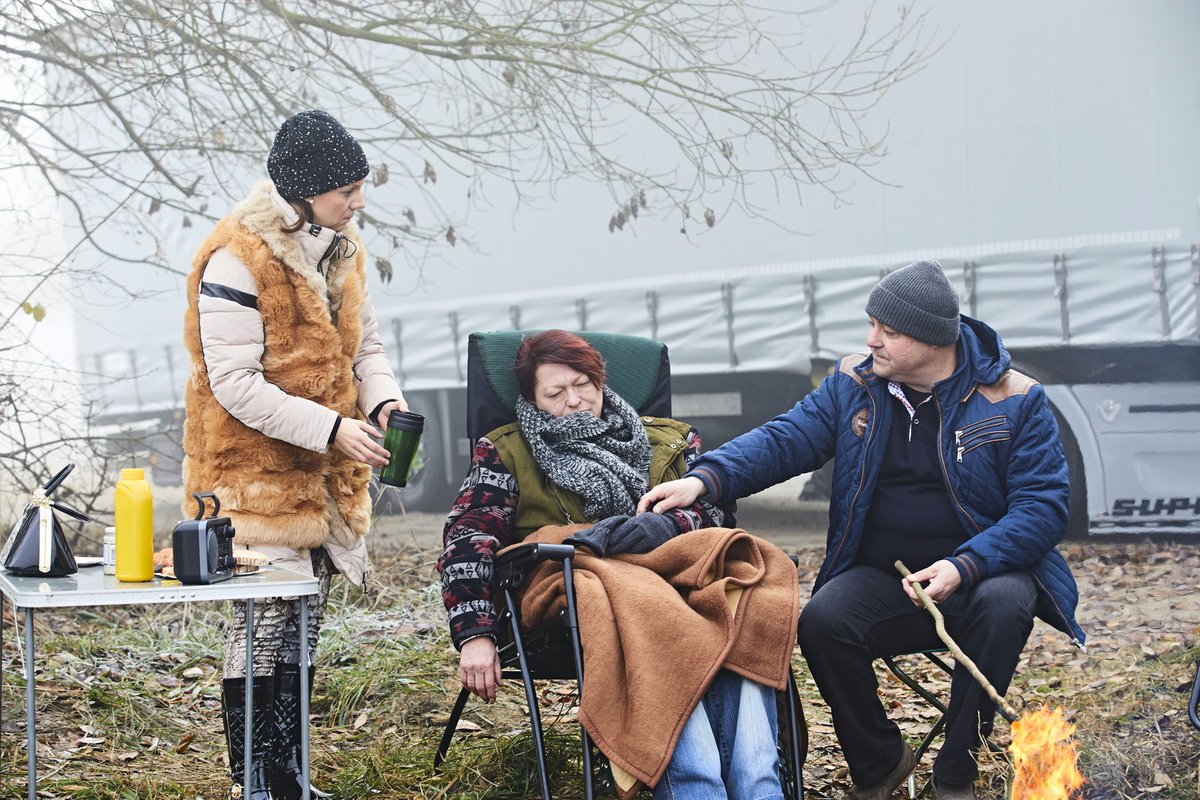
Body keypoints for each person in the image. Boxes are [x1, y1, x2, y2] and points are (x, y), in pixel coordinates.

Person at [640, 261, 1086, 800]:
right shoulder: (854, 384)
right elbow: (786, 439)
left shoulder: (1015, 398)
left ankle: (955, 772)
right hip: (887, 579)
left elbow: (1041, 508)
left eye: (888, 331)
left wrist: (963, 566)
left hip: (979, 576)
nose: (871, 340)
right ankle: (879, 765)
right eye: (872, 324)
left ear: (931, 339)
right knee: (823, 622)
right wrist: (707, 479)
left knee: (1006, 603)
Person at [437, 329, 790, 800]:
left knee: (746, 591)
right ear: (533, 400)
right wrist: (476, 634)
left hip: (673, 577)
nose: (575, 401)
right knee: (649, 604)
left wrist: (668, 526)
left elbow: (716, 513)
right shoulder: (507, 449)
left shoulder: (670, 440)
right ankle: (696, 786)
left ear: (601, 381)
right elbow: (468, 538)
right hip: (570, 589)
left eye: (583, 384)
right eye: (555, 393)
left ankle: (759, 786)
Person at [182, 109, 406, 799]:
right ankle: (254, 785)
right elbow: (236, 385)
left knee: (305, 620)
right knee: (262, 625)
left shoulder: (343, 246)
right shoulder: (235, 258)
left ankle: (290, 781)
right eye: (348, 188)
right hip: (252, 480)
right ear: (305, 190)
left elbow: (364, 348)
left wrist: (383, 402)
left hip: (327, 475)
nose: (359, 201)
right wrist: (332, 430)